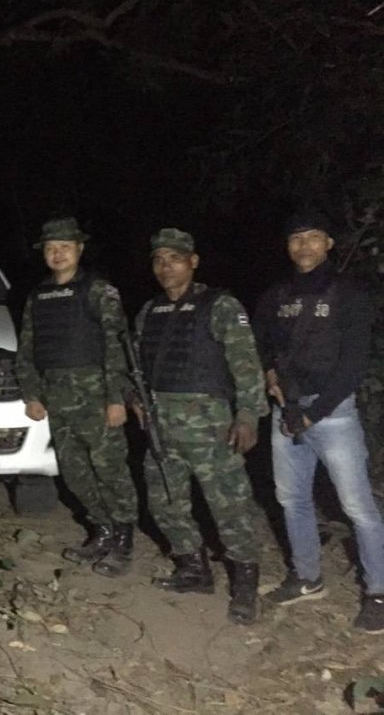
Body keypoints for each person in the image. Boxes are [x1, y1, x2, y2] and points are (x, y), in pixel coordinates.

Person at [253, 210, 384, 633]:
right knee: (292, 500)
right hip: (287, 411)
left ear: (328, 243)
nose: (303, 245)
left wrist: (314, 413)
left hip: (333, 414)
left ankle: (378, 593)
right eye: (296, 238)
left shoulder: (350, 292)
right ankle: (308, 578)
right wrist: (272, 378)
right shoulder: (276, 295)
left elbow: (353, 363)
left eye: (313, 237)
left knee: (357, 507)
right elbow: (263, 343)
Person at [133, 228, 268, 625]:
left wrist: (248, 416)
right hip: (161, 423)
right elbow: (135, 364)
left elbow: (247, 365)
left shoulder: (221, 306)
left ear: (193, 262)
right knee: (165, 502)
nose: (165, 267)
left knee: (230, 506)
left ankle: (245, 585)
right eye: (159, 260)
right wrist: (133, 397)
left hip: (210, 425)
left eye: (174, 258)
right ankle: (194, 569)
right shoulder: (149, 310)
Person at [16, 217, 138, 576]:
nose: (57, 254)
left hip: (96, 396)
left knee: (110, 470)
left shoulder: (98, 290)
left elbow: (117, 345)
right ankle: (102, 531)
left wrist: (116, 397)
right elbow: (27, 349)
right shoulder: (37, 296)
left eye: (65, 247)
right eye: (51, 248)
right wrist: (32, 394)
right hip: (57, 398)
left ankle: (123, 540)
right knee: (75, 473)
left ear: (80, 250)